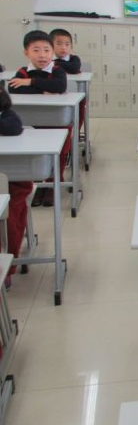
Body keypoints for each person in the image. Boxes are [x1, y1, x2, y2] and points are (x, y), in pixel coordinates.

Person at [7, 30, 68, 208]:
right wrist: (43, 90)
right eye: (36, 50)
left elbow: (59, 86)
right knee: (36, 157)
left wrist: (31, 83)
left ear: (52, 52)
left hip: (57, 125)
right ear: (26, 52)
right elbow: (14, 89)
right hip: (31, 125)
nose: (42, 55)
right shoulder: (22, 71)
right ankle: (41, 185)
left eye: (46, 50)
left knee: (56, 155)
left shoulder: (57, 70)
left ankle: (52, 186)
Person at [0, 88, 31, 288]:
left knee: (9, 219)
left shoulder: (8, 116)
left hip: (12, 182)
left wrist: (32, 82)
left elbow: (14, 127)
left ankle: (7, 266)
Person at [50, 28, 86, 131]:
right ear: (50, 45)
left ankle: (75, 133)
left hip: (73, 94)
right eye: (59, 44)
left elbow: (74, 68)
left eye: (67, 44)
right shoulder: (46, 59)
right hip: (54, 94)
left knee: (80, 107)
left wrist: (53, 63)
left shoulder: (74, 59)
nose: (63, 47)